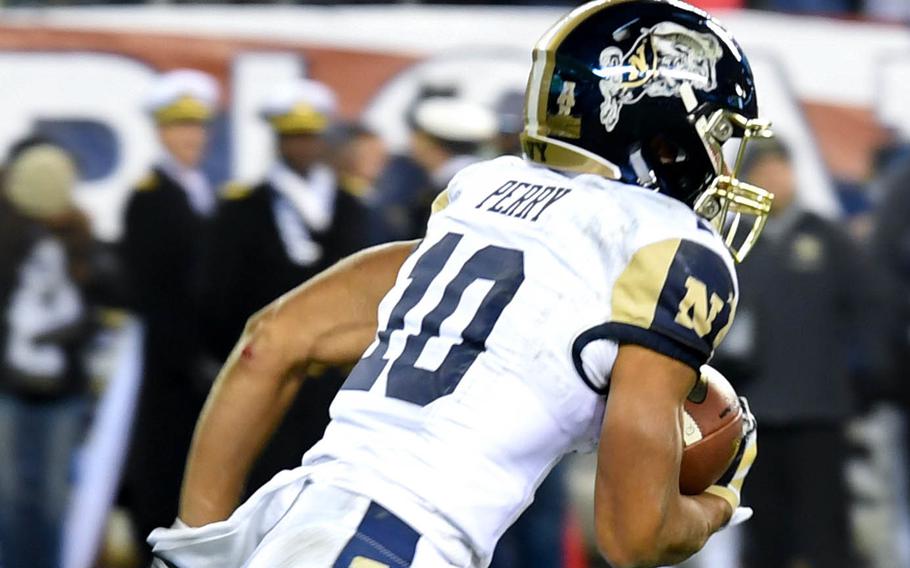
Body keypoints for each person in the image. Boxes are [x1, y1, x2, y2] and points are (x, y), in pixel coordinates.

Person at [151, 1, 767, 566]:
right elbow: (635, 535)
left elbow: (273, 340)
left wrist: (192, 541)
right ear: (661, 130)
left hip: (297, 518)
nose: (721, 164)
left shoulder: (483, 195)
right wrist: (721, 497)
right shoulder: (667, 247)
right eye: (718, 137)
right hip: (395, 546)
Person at [200, 79, 378, 495]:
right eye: (293, 137)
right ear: (278, 141)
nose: (303, 147)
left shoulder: (351, 205)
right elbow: (219, 293)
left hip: (337, 376)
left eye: (311, 137)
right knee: (265, 483)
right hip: (271, 369)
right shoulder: (242, 206)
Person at [712, 139, 878, 568]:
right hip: (754, 416)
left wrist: (860, 383)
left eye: (779, 168)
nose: (773, 178)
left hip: (819, 414)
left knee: (825, 534)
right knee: (763, 537)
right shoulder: (733, 244)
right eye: (762, 170)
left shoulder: (829, 239)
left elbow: (867, 314)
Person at [119, 68, 219, 553]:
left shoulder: (199, 193)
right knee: (162, 462)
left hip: (195, 363)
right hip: (169, 367)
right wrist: (188, 358)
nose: (191, 137)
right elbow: (156, 294)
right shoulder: (150, 198)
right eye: (181, 126)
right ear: (161, 131)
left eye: (198, 126)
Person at [0, 141, 94, 568]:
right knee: (10, 499)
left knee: (51, 502)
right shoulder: (8, 237)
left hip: (61, 392)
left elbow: (105, 301)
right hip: (9, 390)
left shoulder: (80, 237)